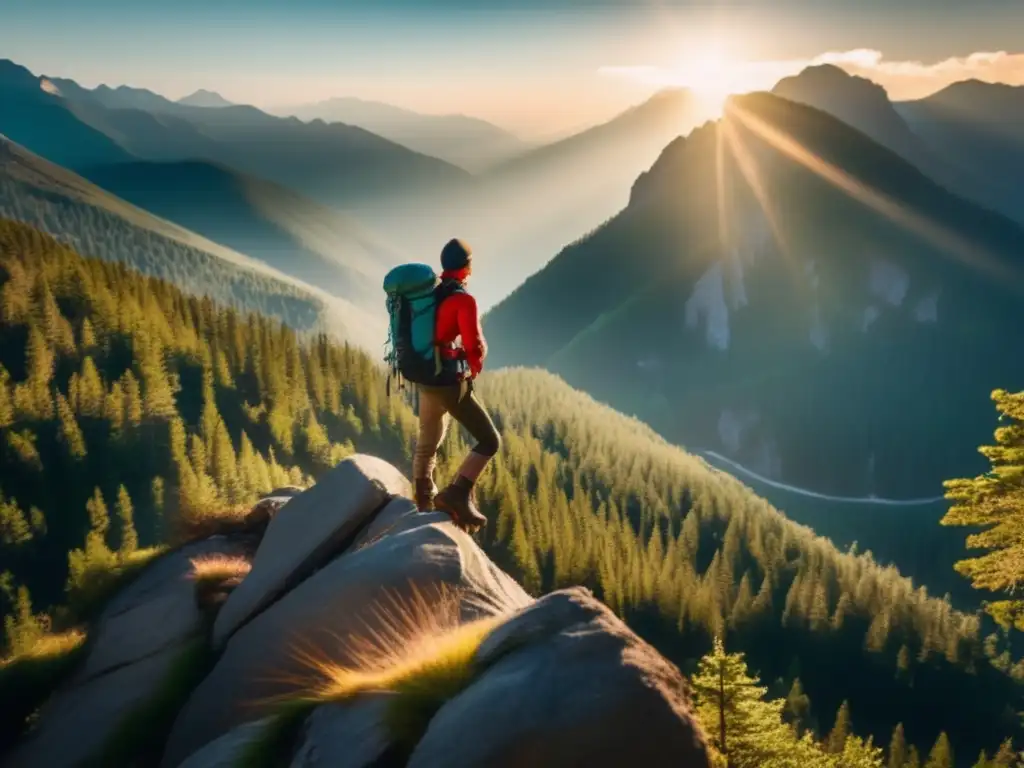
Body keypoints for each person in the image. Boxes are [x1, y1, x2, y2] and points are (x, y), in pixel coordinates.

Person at [412, 238, 500, 531]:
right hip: (449, 382)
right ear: (467, 266)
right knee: (489, 440)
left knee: (427, 443)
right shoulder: (463, 299)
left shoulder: (431, 295)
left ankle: (423, 501)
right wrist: (474, 367)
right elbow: (473, 342)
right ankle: (457, 493)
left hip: (426, 378)